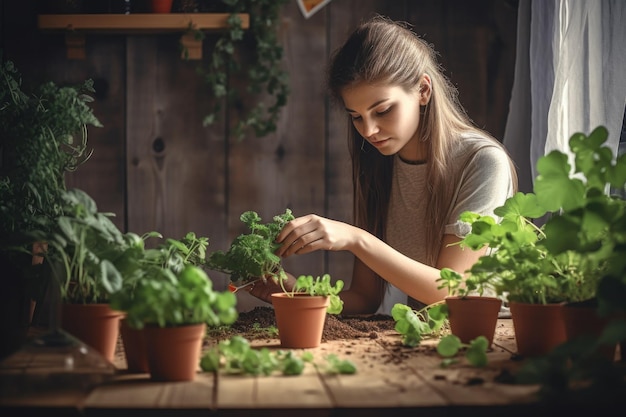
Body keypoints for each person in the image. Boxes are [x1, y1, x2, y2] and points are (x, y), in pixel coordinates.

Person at [249, 15, 518, 315]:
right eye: (356, 116)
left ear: (423, 90)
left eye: (383, 110)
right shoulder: (379, 164)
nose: (368, 131)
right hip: (424, 337)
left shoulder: (482, 162)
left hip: (492, 338)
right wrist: (293, 291)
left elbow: (451, 293)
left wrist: (357, 239)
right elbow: (365, 298)